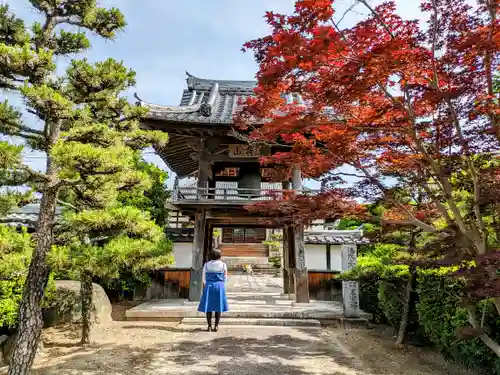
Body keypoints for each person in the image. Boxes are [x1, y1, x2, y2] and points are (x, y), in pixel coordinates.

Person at [197, 249, 229, 332]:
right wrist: (223, 284)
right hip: (219, 285)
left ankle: (209, 326)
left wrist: (205, 284)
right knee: (218, 306)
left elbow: (203, 277)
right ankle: (216, 326)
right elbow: (225, 276)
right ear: (219, 255)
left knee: (209, 307)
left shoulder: (206, 265)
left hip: (209, 286)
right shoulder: (223, 265)